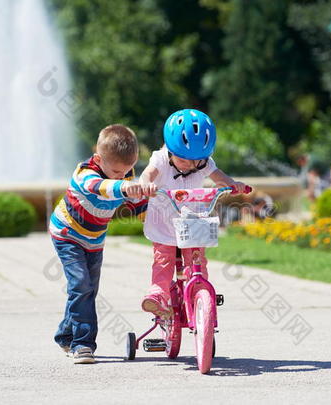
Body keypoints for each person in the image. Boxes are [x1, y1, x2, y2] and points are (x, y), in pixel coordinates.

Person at [49, 124, 148, 364]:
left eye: (127, 171)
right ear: (98, 159)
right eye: (115, 170)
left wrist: (151, 214)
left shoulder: (124, 176)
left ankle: (65, 334)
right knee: (81, 286)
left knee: (85, 289)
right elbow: (102, 187)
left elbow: (135, 204)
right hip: (67, 234)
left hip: (94, 240)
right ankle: (83, 344)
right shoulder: (85, 173)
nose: (120, 175)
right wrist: (123, 186)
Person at [139, 109, 248, 318]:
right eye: (184, 159)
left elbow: (219, 177)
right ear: (170, 150)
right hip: (164, 222)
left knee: (197, 260)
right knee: (164, 260)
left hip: (192, 221)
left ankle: (200, 293)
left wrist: (233, 185)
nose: (190, 165)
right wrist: (145, 184)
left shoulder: (203, 161)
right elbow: (147, 175)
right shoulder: (161, 159)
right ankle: (158, 295)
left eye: (196, 160)